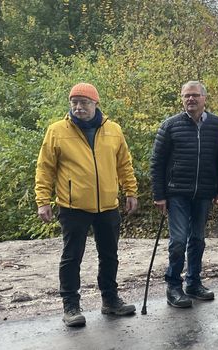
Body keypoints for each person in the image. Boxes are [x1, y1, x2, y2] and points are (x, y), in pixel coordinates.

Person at [34, 82, 139, 327]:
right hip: (73, 206)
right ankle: (71, 306)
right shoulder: (57, 131)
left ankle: (110, 301)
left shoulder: (113, 130)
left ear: (95, 104)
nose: (79, 107)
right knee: (72, 257)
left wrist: (131, 191)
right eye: (75, 102)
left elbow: (124, 164)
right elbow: (45, 168)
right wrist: (43, 201)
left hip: (108, 206)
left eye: (84, 102)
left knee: (110, 255)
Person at [150, 81, 218, 308]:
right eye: (186, 96)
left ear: (204, 97)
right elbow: (157, 162)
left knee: (197, 239)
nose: (190, 99)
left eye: (194, 95)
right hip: (177, 193)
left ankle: (193, 282)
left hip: (204, 192)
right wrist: (159, 195)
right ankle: (173, 286)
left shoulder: (217, 126)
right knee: (178, 241)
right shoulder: (170, 126)